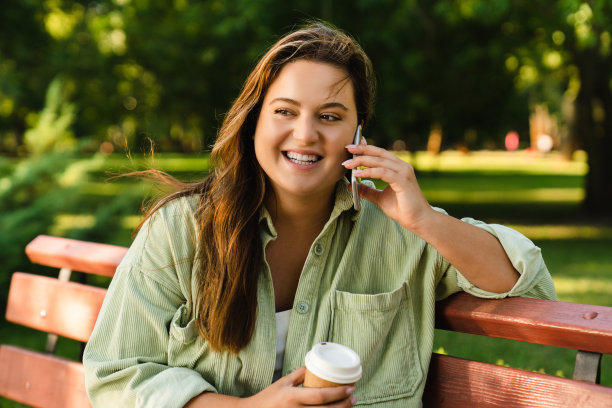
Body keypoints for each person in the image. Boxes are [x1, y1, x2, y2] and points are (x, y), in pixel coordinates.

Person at [83, 21, 556, 408]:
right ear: (254, 123)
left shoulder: (404, 231)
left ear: (359, 131)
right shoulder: (182, 230)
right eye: (285, 112)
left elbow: (529, 285)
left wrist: (425, 220)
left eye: (329, 116)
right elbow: (114, 375)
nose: (305, 134)